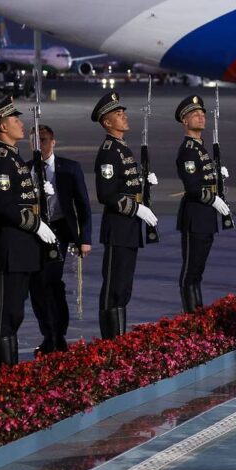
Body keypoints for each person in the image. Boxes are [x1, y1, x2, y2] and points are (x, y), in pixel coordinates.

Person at [0, 96, 57, 366]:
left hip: (21, 250)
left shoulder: (14, 157)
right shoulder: (1, 159)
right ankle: (4, 376)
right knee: (5, 317)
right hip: (9, 249)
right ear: (2, 126)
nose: (21, 124)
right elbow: (3, 205)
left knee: (14, 316)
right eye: (15, 120)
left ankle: (9, 374)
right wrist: (36, 224)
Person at [92, 91, 159, 339]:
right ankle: (110, 343)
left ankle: (119, 340)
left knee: (124, 289)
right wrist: (137, 208)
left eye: (123, 113)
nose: (124, 117)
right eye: (118, 114)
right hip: (118, 226)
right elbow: (106, 194)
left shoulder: (122, 148)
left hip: (129, 227)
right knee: (114, 287)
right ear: (107, 122)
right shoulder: (109, 151)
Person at [29, 124, 93, 355]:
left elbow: (83, 205)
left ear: (53, 142)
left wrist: (85, 238)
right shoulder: (26, 169)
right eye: (35, 141)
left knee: (52, 281)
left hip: (59, 230)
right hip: (33, 232)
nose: (40, 145)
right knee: (36, 285)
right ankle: (48, 334)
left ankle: (58, 334)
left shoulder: (69, 168)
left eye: (44, 140)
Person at [174, 95, 231, 311]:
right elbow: (192, 186)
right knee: (190, 271)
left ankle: (198, 313)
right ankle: (191, 315)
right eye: (195, 114)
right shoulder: (188, 150)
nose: (201, 117)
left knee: (198, 271)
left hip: (205, 217)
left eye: (202, 114)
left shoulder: (200, 147)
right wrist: (213, 199)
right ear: (185, 121)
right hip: (195, 216)